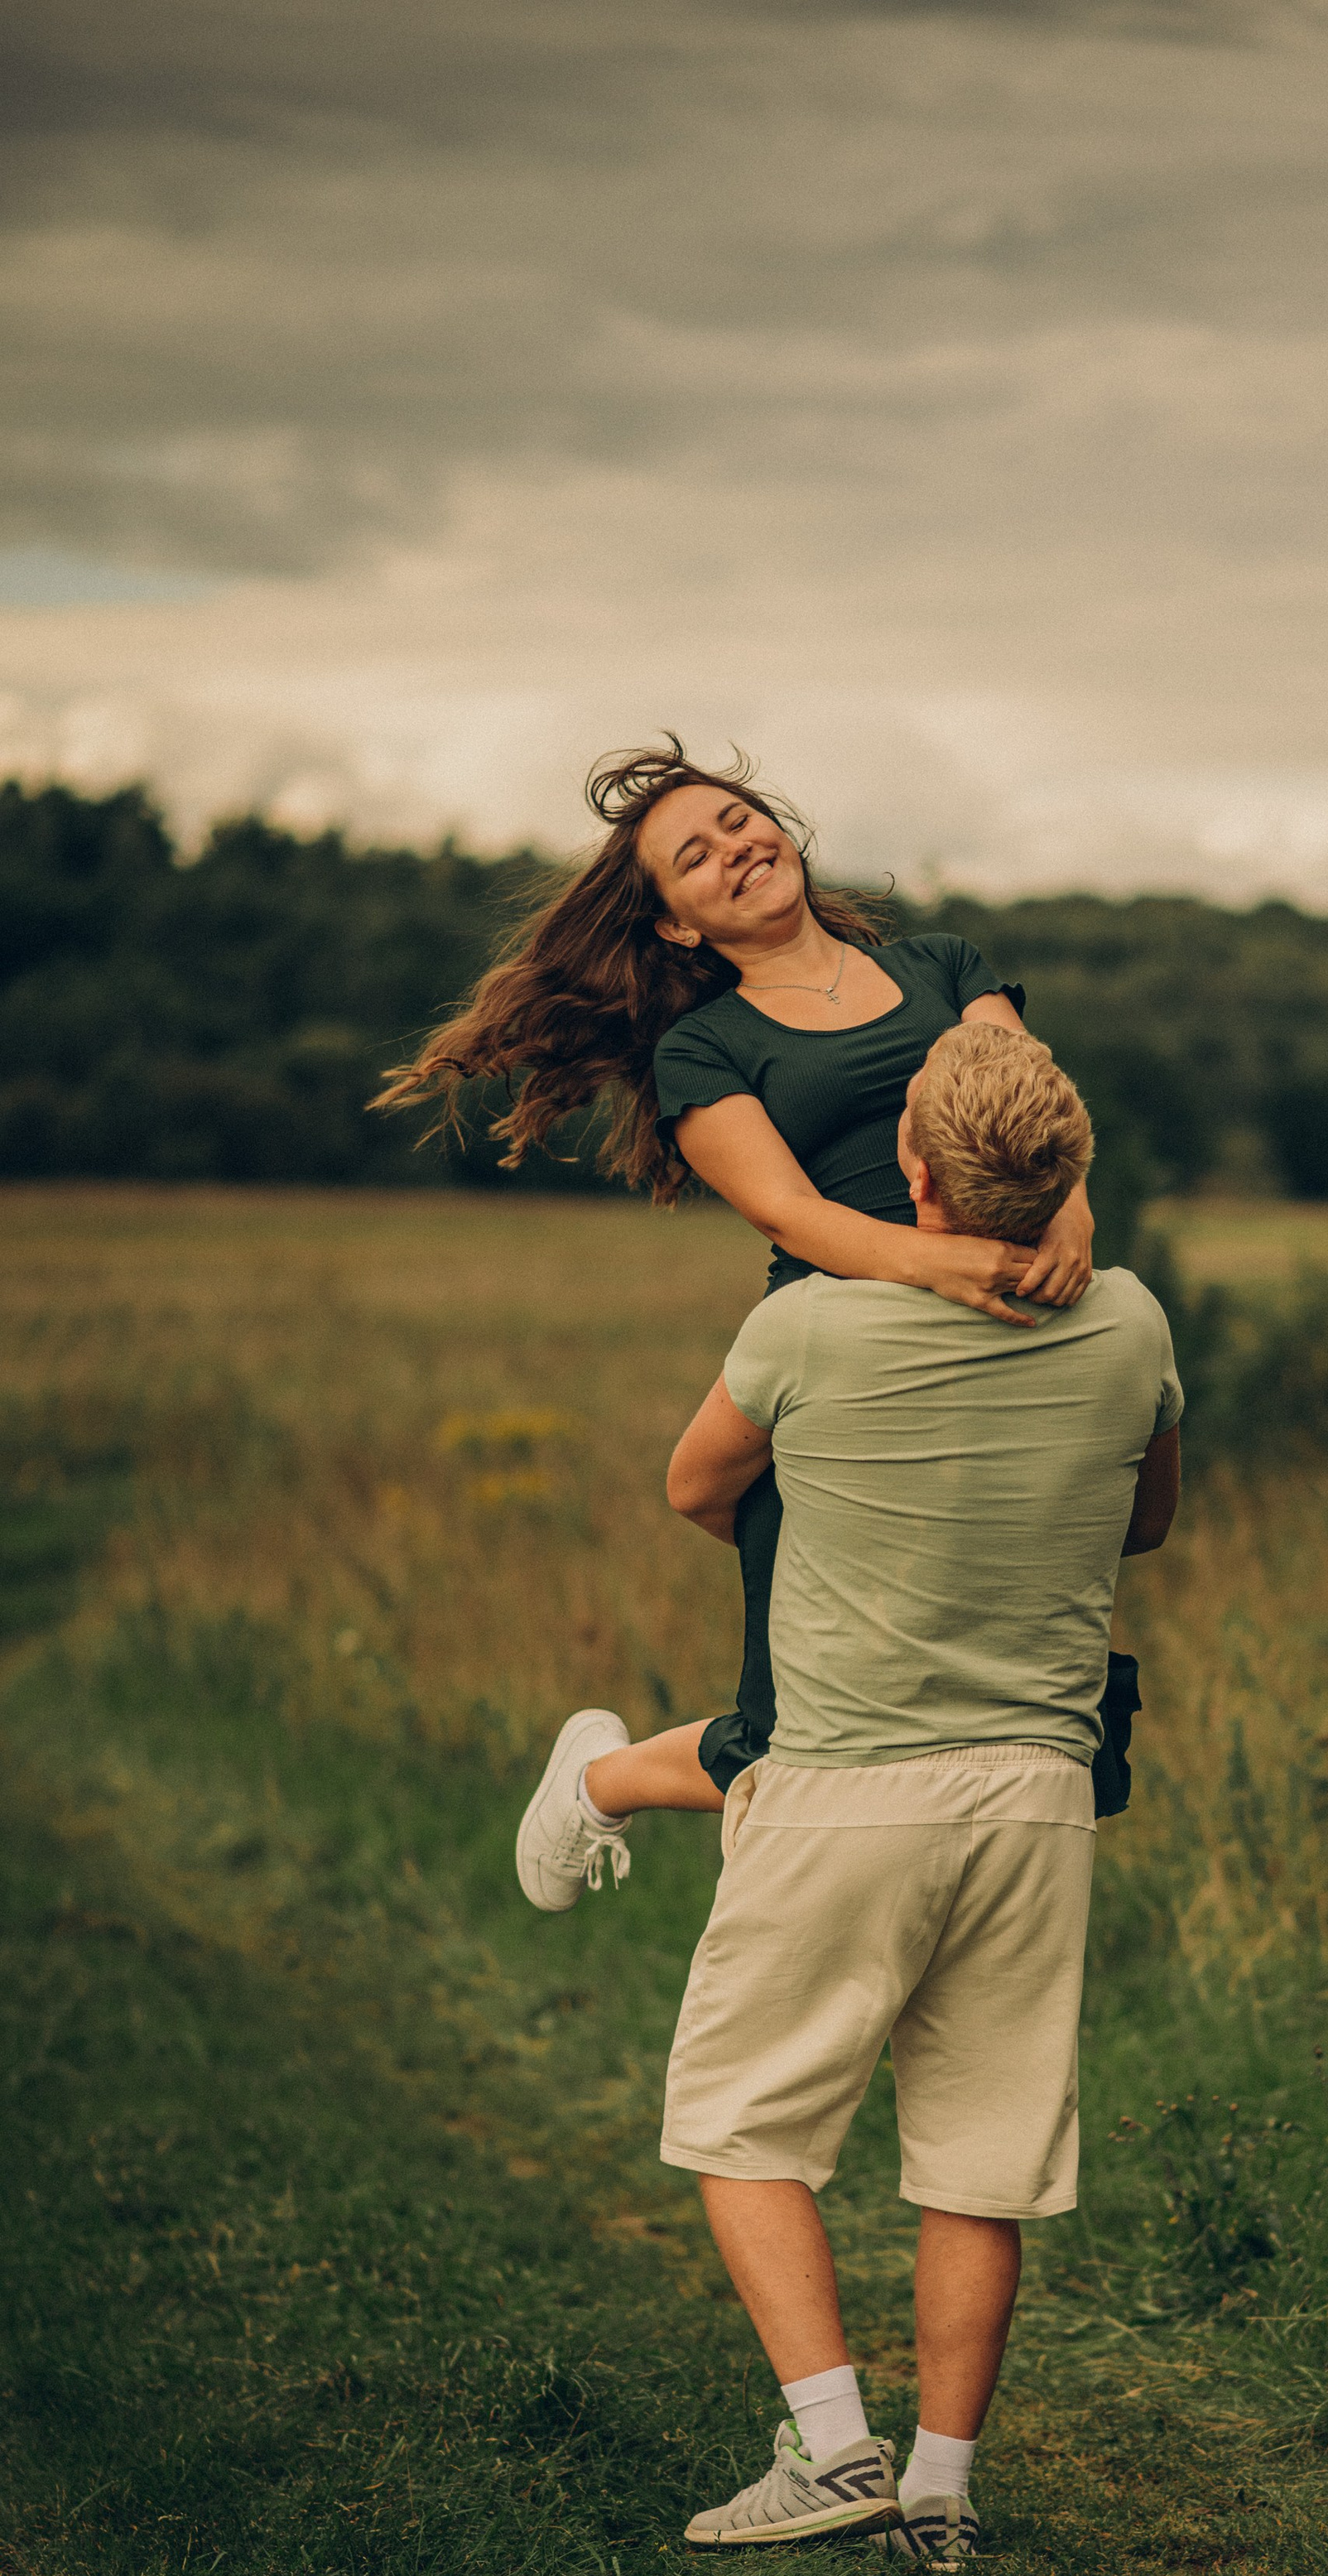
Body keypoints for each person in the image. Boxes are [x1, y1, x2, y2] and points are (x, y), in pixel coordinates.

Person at [515, 1024, 1182, 2566]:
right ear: (1068, 1180)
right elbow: (1145, 1519)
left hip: (844, 1792)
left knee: (742, 2126)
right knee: (979, 2156)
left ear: (909, 1172)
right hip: (1038, 1801)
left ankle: (831, 2452)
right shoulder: (1134, 1322)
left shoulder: (812, 1327)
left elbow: (698, 1488)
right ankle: (941, 2495)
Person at [378, 740, 1098, 1821]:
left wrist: (1072, 1215)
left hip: (1002, 1318)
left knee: (978, 1682)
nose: (734, 849)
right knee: (785, 1730)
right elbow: (789, 1212)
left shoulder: (943, 966)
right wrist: (951, 1266)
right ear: (678, 923)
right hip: (835, 1344)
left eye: (738, 821)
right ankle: (594, 1786)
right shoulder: (705, 1048)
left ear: (784, 829)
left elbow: (1035, 1100)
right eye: (695, 855)